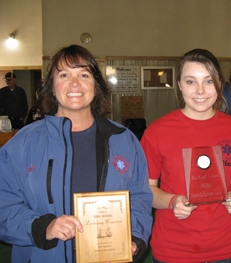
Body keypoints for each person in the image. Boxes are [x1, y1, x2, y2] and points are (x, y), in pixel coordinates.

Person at [0, 45, 153, 263]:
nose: (74, 83)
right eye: (64, 75)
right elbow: (3, 204)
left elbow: (139, 198)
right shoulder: (22, 145)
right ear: (52, 87)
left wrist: (134, 238)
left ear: (96, 86)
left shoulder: (123, 139)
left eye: (84, 75)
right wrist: (43, 227)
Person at [141, 49, 231, 263]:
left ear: (219, 83)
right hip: (174, 250)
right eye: (191, 82)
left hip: (226, 249)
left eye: (208, 81)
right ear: (179, 84)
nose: (200, 91)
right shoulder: (157, 132)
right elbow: (146, 190)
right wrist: (171, 202)